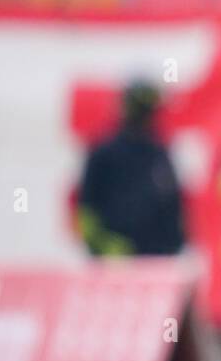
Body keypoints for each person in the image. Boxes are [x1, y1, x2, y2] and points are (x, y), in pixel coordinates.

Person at [76, 81, 185, 258]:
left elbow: (172, 203)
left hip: (157, 261)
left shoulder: (159, 152)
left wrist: (173, 245)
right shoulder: (104, 151)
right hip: (115, 265)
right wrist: (103, 246)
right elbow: (86, 210)